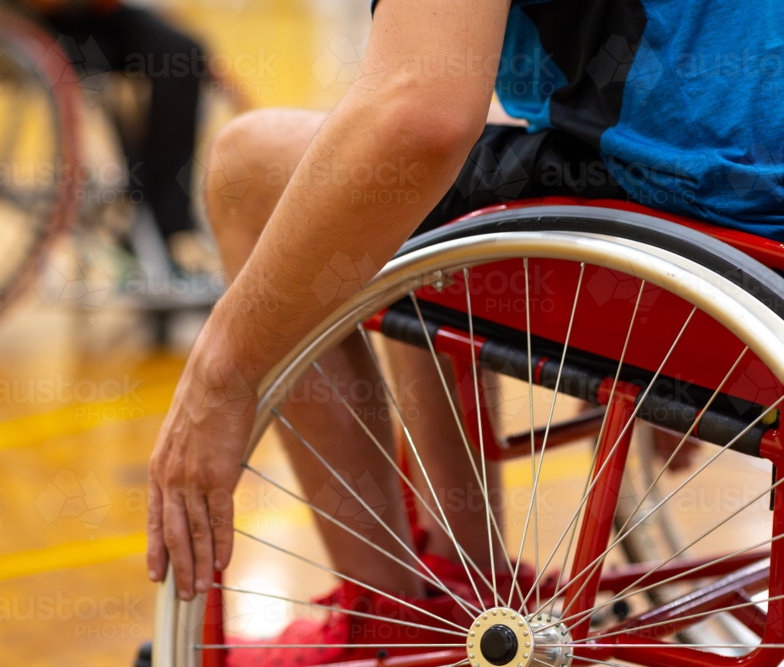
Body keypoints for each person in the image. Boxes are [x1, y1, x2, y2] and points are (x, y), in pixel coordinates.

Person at [147, 0, 783, 661]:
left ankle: (385, 608)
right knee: (399, 174)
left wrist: (219, 373)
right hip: (756, 210)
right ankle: (460, 573)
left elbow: (419, 119)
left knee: (257, 168)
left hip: (711, 199)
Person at [0, 0, 211, 268]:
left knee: (183, 54)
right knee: (103, 80)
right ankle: (138, 222)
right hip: (23, 17)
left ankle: (168, 230)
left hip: (91, 17)